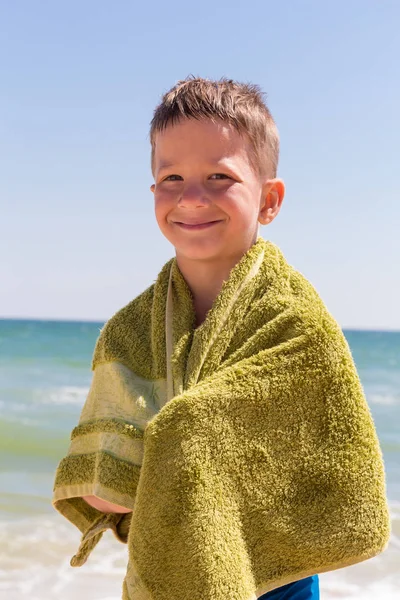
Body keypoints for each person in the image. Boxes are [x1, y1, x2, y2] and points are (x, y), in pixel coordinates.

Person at [52, 76, 389, 599]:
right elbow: (106, 489)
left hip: (282, 579)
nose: (191, 197)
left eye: (218, 175)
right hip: (164, 567)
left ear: (269, 200)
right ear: (152, 192)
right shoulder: (128, 331)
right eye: (171, 177)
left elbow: (327, 468)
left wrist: (179, 442)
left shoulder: (296, 321)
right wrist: (142, 470)